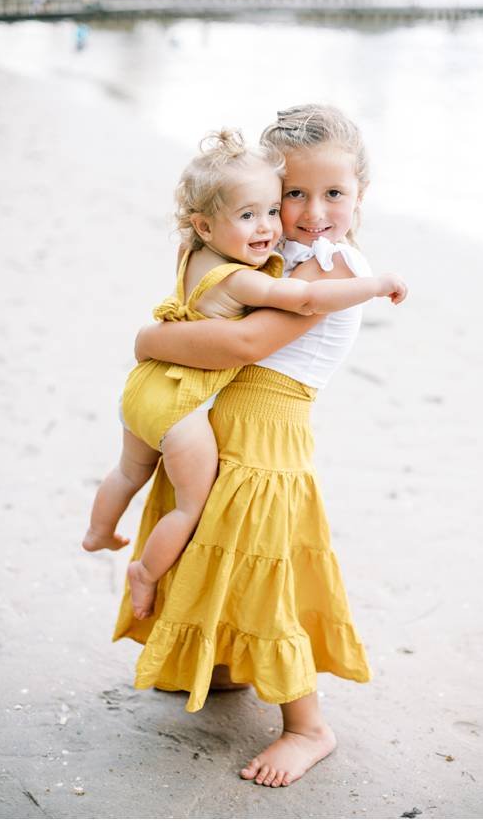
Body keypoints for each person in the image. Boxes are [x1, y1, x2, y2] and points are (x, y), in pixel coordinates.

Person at [112, 104, 401, 788]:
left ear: (360, 196)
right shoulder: (283, 255)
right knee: (220, 542)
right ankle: (218, 663)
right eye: (292, 194)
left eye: (333, 193)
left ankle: (308, 727)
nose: (310, 210)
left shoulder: (331, 270)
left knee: (261, 565)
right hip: (233, 422)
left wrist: (147, 342)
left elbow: (245, 343)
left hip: (270, 434)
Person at [83, 129, 405, 626]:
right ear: (206, 225)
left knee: (129, 472)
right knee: (191, 508)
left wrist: (148, 340)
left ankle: (99, 530)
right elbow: (300, 301)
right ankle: (145, 571)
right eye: (252, 213)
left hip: (145, 387)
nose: (268, 227)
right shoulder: (244, 278)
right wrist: (375, 284)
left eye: (271, 211)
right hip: (183, 404)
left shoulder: (193, 254)